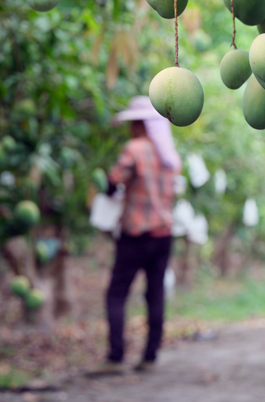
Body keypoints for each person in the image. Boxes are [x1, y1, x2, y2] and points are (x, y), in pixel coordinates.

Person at [92, 96, 182, 375]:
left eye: (133, 124)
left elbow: (113, 181)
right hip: (163, 234)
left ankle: (116, 357)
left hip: (136, 234)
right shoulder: (169, 156)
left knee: (116, 294)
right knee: (155, 294)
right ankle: (150, 356)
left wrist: (107, 189)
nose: (130, 129)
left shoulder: (135, 149)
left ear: (141, 124)